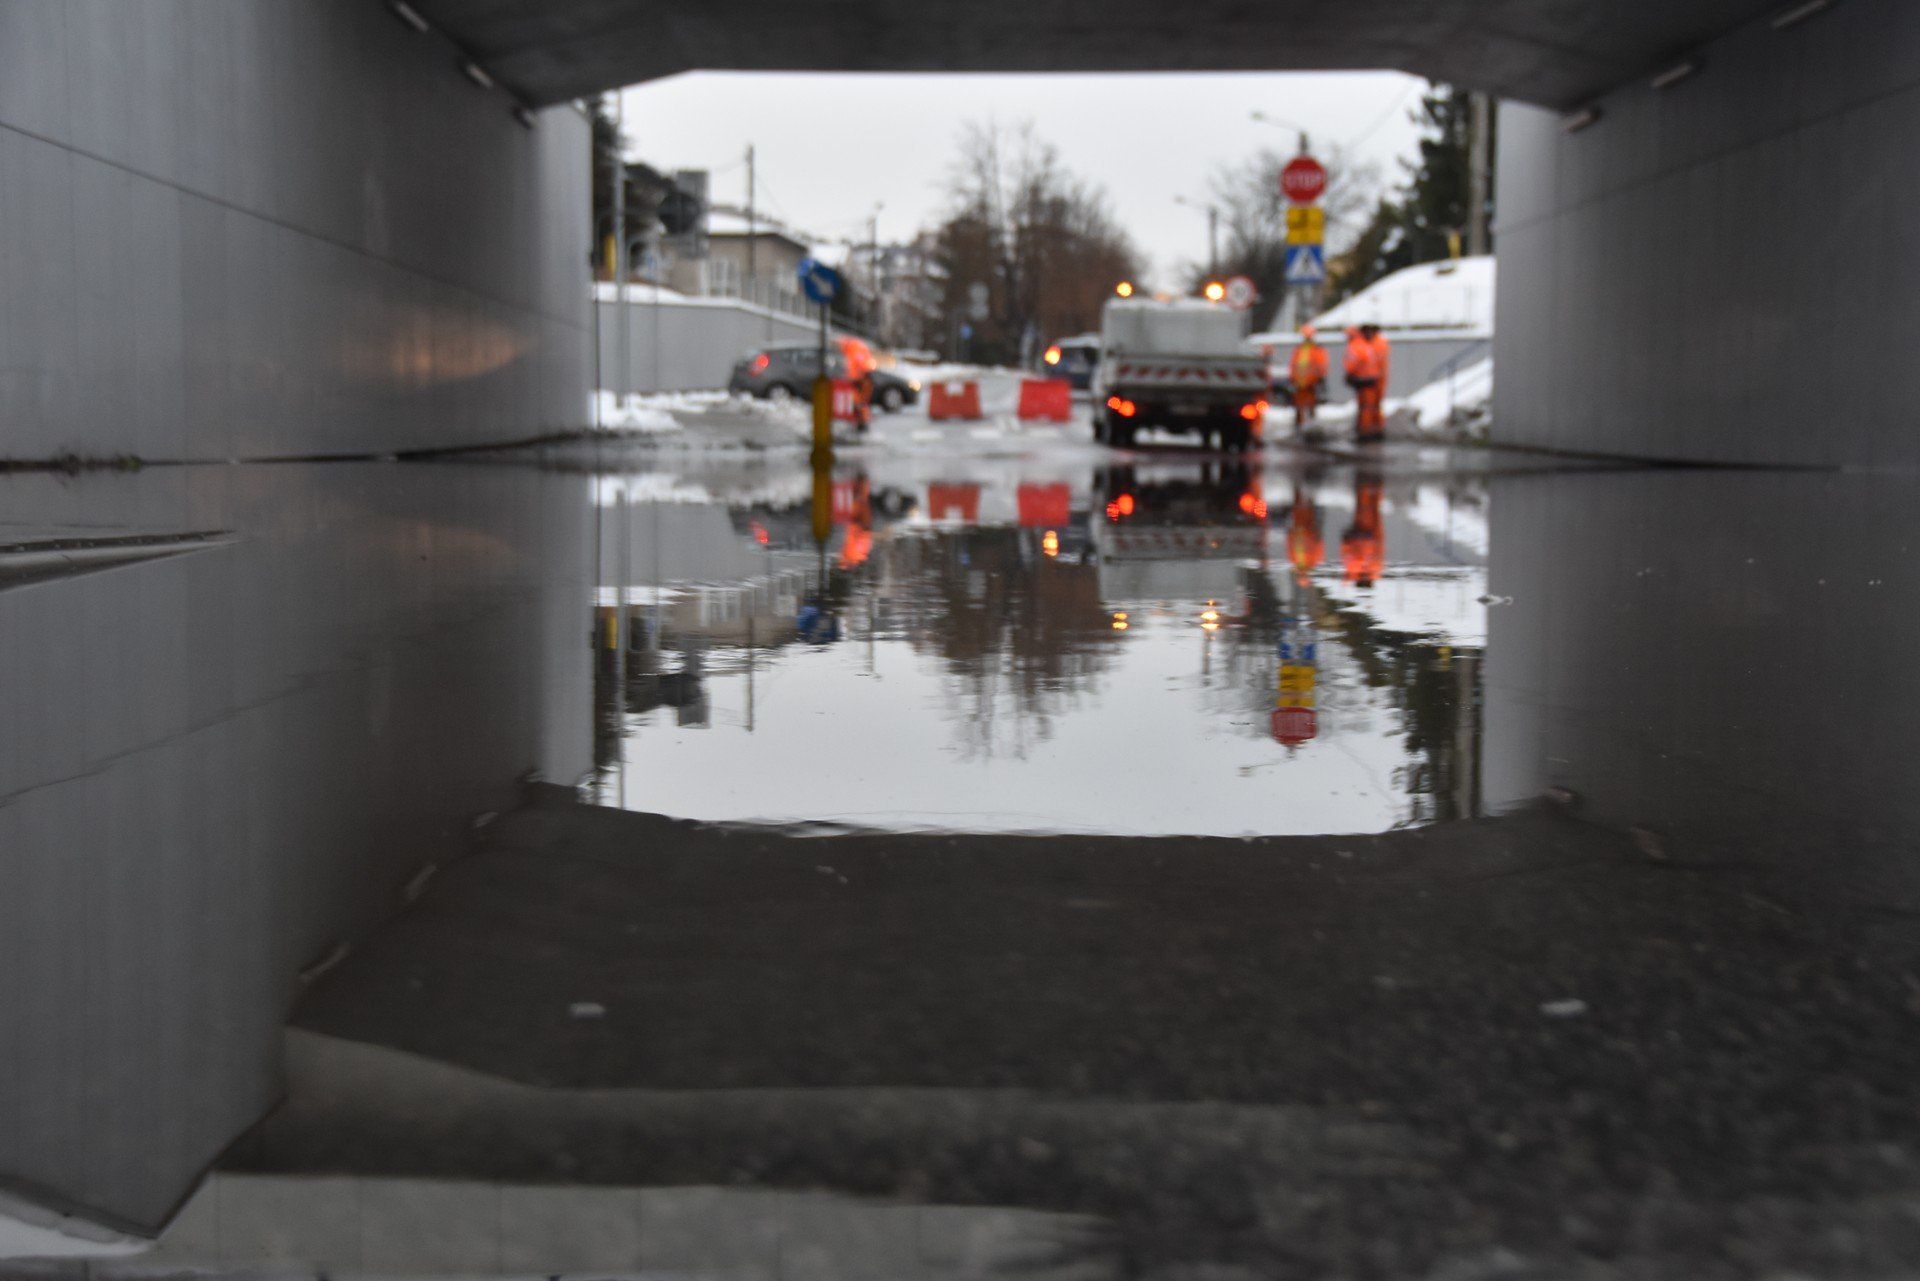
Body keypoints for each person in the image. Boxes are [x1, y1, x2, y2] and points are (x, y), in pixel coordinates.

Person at [1343, 323, 1391, 442]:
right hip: (1375, 379)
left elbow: (1353, 363)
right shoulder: (1374, 344)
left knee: (1366, 407)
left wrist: (1349, 375)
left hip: (1365, 380)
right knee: (1374, 406)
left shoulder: (1357, 345)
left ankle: (1365, 432)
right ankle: (1376, 430)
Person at [1288, 326, 1331, 431]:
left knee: (1310, 406)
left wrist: (1319, 378)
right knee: (1299, 406)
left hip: (1311, 383)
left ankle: (1310, 426)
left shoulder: (1317, 350)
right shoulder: (1299, 350)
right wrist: (1292, 378)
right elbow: (1293, 365)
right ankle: (1300, 426)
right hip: (1300, 383)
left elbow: (1321, 366)